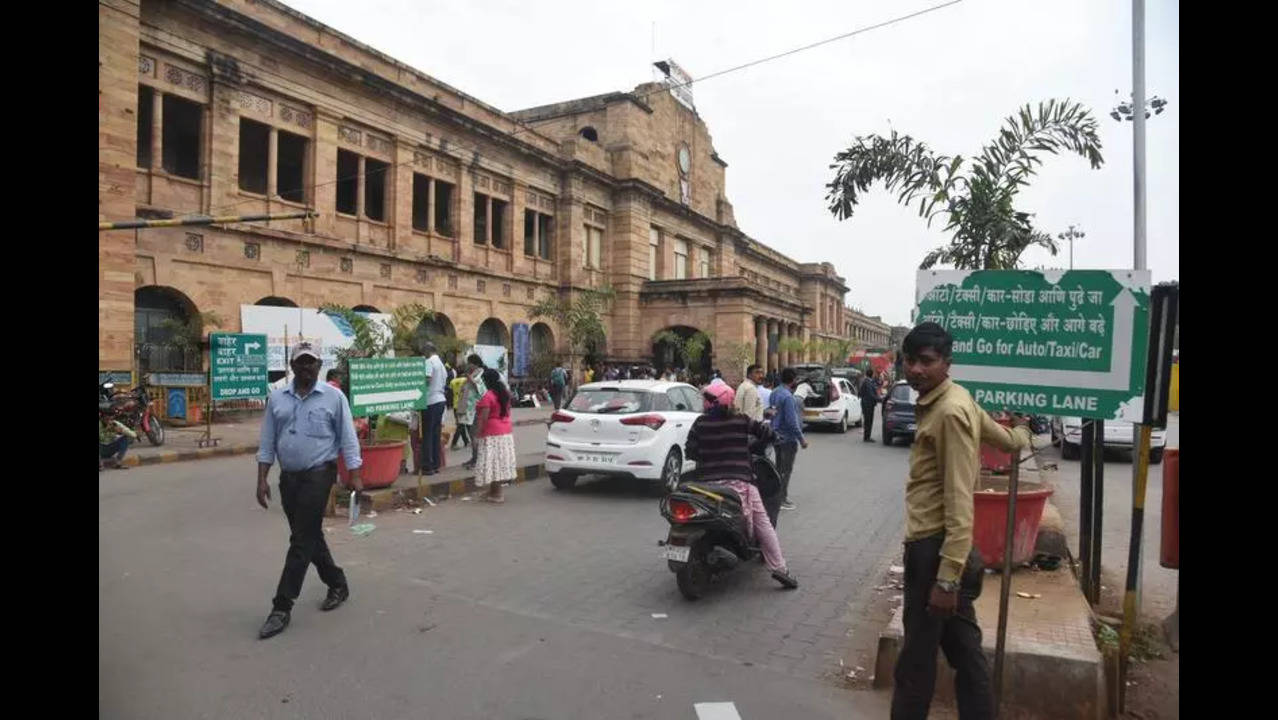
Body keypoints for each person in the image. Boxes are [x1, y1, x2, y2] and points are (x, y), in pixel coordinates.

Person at [891, 323, 1032, 720]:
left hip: (935, 551)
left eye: (927, 362)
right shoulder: (956, 398)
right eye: (910, 360)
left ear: (946, 363)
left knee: (915, 664)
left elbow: (959, 501)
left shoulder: (950, 411)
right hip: (948, 550)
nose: (916, 369)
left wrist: (946, 578)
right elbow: (1004, 440)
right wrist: (1022, 431)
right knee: (965, 653)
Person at [254, 342, 363, 640]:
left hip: (319, 475)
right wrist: (262, 478)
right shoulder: (277, 399)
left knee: (301, 539)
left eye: (311, 363)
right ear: (292, 366)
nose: (306, 367)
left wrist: (354, 475)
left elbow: (348, 439)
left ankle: (281, 607)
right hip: (289, 479)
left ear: (319, 365)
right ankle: (337, 582)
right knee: (309, 536)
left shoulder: (333, 397)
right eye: (300, 363)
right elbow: (267, 443)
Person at [685, 383, 798, 589]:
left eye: (707, 400)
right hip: (738, 484)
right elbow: (766, 432)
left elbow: (690, 451)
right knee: (763, 523)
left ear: (713, 403)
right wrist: (774, 436)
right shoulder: (741, 421)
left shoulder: (700, 424)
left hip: (705, 486)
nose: (704, 403)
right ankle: (780, 569)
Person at [474, 368, 516, 503]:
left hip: (492, 433)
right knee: (499, 461)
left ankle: (497, 494)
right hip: (505, 431)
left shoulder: (488, 396)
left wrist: (477, 434)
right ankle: (493, 491)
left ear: (487, 381)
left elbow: (483, 418)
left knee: (493, 463)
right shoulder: (505, 393)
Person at [768, 367, 808, 511]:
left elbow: (771, 412)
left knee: (779, 469)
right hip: (787, 438)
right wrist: (802, 439)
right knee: (785, 470)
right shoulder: (788, 397)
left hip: (776, 436)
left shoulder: (774, 393)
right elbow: (792, 422)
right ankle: (781, 498)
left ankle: (777, 496)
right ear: (793, 380)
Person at [420, 343, 448, 476]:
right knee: (436, 434)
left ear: (427, 351)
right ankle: (436, 464)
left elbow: (427, 378)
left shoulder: (429, 362)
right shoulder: (441, 364)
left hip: (430, 400)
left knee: (427, 434)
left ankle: (427, 466)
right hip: (441, 400)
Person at [456, 355, 486, 469]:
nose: (468, 365)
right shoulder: (472, 374)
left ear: (475, 363)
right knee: (472, 435)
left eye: (470, 363)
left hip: (476, 409)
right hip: (468, 410)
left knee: (475, 436)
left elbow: (480, 389)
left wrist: (469, 377)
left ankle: (477, 460)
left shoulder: (480, 373)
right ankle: (474, 458)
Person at [448, 370, 470, 451]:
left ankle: (466, 441)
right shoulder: (465, 380)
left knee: (461, 423)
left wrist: (449, 405)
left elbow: (450, 393)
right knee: (463, 424)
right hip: (463, 404)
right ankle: (454, 443)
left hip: (455, 405)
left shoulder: (452, 381)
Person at [859, 371, 882, 443]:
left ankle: (867, 436)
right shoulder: (867, 382)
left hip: (868, 404)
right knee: (868, 421)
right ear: (872, 375)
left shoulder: (868, 381)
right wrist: (880, 399)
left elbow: (878, 384)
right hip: (868, 404)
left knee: (868, 421)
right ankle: (867, 437)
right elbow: (871, 394)